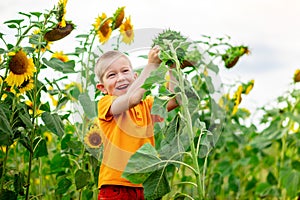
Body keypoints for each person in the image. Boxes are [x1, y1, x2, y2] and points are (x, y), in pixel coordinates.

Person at [94, 46, 178, 200]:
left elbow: (174, 100)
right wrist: (151, 65)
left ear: (135, 77)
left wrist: (173, 66)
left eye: (125, 71)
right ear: (102, 88)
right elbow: (132, 99)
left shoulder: (147, 106)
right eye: (112, 75)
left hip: (143, 185)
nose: (120, 78)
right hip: (116, 186)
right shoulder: (106, 104)